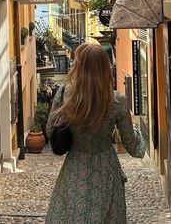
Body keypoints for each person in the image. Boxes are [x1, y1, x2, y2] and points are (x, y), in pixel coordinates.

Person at [46, 43, 145, 224]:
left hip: (75, 171)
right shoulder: (118, 102)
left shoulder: (66, 96)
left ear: (79, 67)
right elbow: (133, 147)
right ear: (105, 69)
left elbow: (50, 130)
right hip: (106, 171)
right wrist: (136, 128)